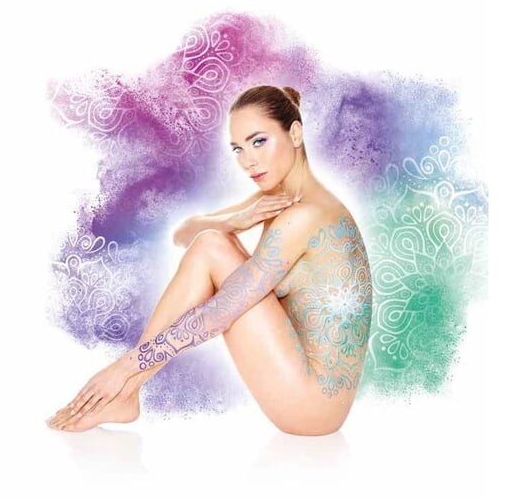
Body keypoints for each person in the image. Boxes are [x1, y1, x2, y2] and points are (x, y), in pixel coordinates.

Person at [46, 85, 373, 436]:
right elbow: (183, 234)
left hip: (311, 408)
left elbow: (221, 311)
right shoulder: (278, 198)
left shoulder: (306, 216)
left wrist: (125, 366)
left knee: (213, 247)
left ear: (294, 134)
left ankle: (127, 388)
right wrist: (235, 220)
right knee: (212, 241)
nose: (248, 161)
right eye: (238, 149)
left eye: (259, 141)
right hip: (308, 396)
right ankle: (127, 392)